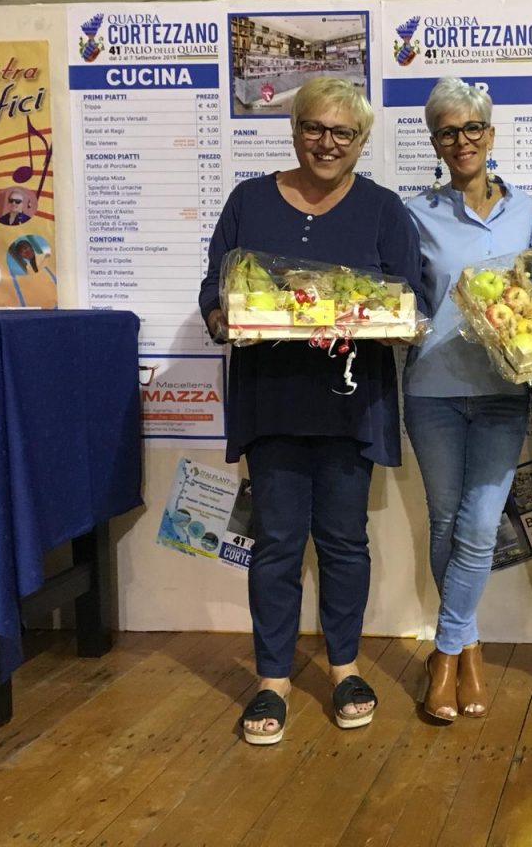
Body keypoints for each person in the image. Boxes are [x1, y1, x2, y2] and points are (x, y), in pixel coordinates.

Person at [198, 76, 424, 746]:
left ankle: (345, 668)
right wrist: (223, 319)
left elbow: (407, 297)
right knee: (275, 543)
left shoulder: (382, 208)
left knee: (344, 541)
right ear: (294, 129)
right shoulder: (249, 199)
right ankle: (272, 679)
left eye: (342, 132)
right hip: (272, 400)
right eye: (314, 128)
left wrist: (395, 325)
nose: (327, 143)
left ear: (361, 140)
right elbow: (215, 287)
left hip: (351, 406)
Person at [402, 78, 532, 722]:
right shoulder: (414, 213)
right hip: (432, 389)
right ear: (435, 143)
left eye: (472, 129)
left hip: (504, 390)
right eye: (448, 132)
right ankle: (470, 649)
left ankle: (447, 653)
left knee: (481, 525)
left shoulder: (529, 212)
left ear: (490, 133)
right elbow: (401, 296)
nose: (462, 141)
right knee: (445, 522)